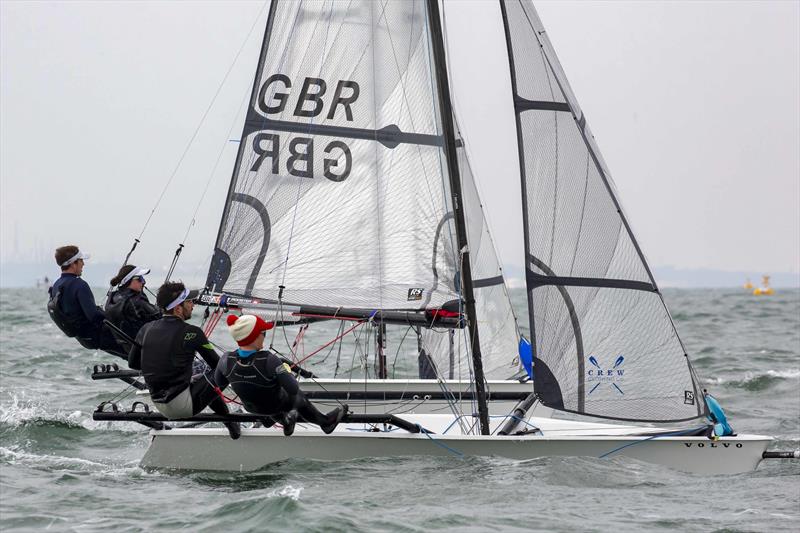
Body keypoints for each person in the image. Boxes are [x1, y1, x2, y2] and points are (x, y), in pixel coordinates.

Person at [127, 281, 240, 439]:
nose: (193, 305)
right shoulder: (192, 332)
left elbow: (133, 363)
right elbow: (219, 366)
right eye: (189, 301)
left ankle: (231, 425)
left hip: (159, 404)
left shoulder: (146, 328)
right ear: (178, 308)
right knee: (228, 365)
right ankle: (236, 420)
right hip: (182, 406)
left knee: (200, 378)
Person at [216, 314, 346, 436]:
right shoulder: (269, 359)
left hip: (251, 408)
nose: (264, 336)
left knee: (263, 395)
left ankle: (286, 421)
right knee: (297, 397)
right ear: (254, 336)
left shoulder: (226, 359)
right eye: (263, 333)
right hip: (274, 406)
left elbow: (219, 383)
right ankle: (326, 422)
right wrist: (286, 371)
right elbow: (293, 389)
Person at [47, 245, 127, 358]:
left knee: (131, 355)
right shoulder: (79, 285)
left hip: (83, 339)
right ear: (73, 263)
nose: (83, 264)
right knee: (136, 340)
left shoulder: (56, 285)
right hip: (97, 336)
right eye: (81, 261)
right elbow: (94, 316)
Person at [105, 265, 161, 346]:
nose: (143, 282)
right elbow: (160, 317)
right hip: (145, 347)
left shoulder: (113, 297)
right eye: (140, 279)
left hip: (127, 347)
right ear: (129, 280)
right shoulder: (136, 301)